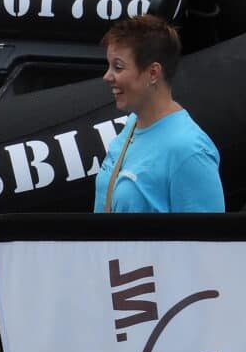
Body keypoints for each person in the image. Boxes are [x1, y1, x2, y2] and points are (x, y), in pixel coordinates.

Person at [94, 14, 224, 214]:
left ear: (153, 73)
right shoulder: (133, 123)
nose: (107, 76)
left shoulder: (190, 152)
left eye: (118, 67)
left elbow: (207, 233)